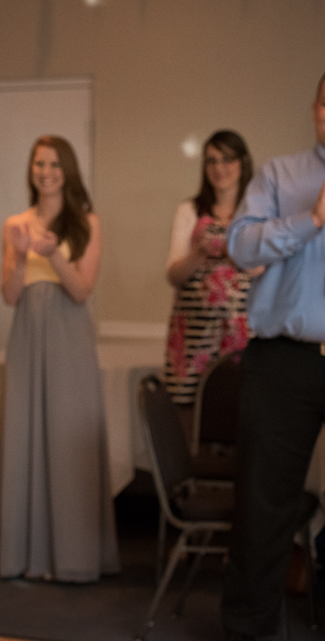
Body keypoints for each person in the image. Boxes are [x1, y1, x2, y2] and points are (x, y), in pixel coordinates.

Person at [0, 135, 119, 583]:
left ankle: (75, 557)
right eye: (40, 163)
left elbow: (82, 290)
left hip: (69, 334)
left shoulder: (87, 222)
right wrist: (22, 257)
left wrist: (54, 255)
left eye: (55, 164)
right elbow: (9, 294)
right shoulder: (14, 225)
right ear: (31, 169)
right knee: (23, 432)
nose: (47, 171)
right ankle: (25, 555)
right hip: (27, 332)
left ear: (68, 171)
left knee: (66, 434)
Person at [221, 73, 325, 641]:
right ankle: (250, 632)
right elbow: (239, 245)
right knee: (263, 506)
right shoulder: (282, 175)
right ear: (316, 110)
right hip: (285, 360)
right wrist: (311, 220)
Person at [164, 130, 255, 431]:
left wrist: (233, 252)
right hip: (193, 333)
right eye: (212, 160)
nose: (220, 168)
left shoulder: (257, 212)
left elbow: (264, 271)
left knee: (240, 409)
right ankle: (190, 474)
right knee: (188, 413)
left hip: (240, 333)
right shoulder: (189, 211)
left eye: (227, 159)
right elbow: (174, 275)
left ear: (242, 162)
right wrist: (199, 253)